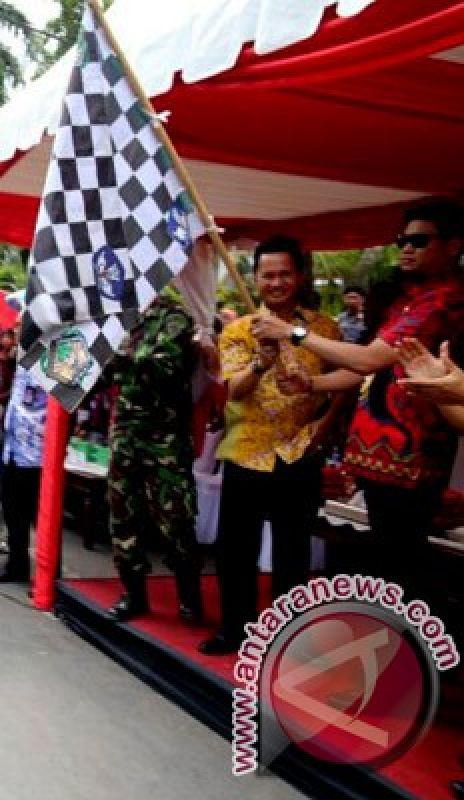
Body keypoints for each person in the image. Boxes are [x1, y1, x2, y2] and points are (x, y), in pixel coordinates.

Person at [252, 198, 464, 608]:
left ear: (454, 246)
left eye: (419, 241)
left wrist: (292, 333)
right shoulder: (410, 299)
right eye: (402, 240)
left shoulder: (445, 301)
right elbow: (366, 369)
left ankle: (421, 654)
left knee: (403, 564)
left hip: (412, 460)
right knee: (385, 561)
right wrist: (311, 383)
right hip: (375, 458)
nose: (406, 248)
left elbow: (367, 359)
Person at [200, 236, 342, 655]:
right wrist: (260, 361)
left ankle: (286, 638)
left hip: (300, 453)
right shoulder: (238, 330)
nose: (276, 282)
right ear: (256, 278)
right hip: (247, 453)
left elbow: (348, 384)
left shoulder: (324, 329)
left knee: (292, 553)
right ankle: (234, 630)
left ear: (299, 277)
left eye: (284, 274)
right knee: (236, 550)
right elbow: (235, 392)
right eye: (268, 275)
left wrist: (327, 425)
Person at [105, 298, 203, 623]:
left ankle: (189, 598)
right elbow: (103, 375)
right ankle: (133, 595)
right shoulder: (118, 316)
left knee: (175, 520)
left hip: (165, 439)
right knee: (123, 518)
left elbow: (164, 366)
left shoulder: (174, 317)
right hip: (126, 436)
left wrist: (114, 354)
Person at [0, 363, 47, 583]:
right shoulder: (23, 365)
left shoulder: (58, 364)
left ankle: (47, 578)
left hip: (38, 459)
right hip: (12, 453)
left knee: (42, 523)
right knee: (13, 516)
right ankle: (16, 566)